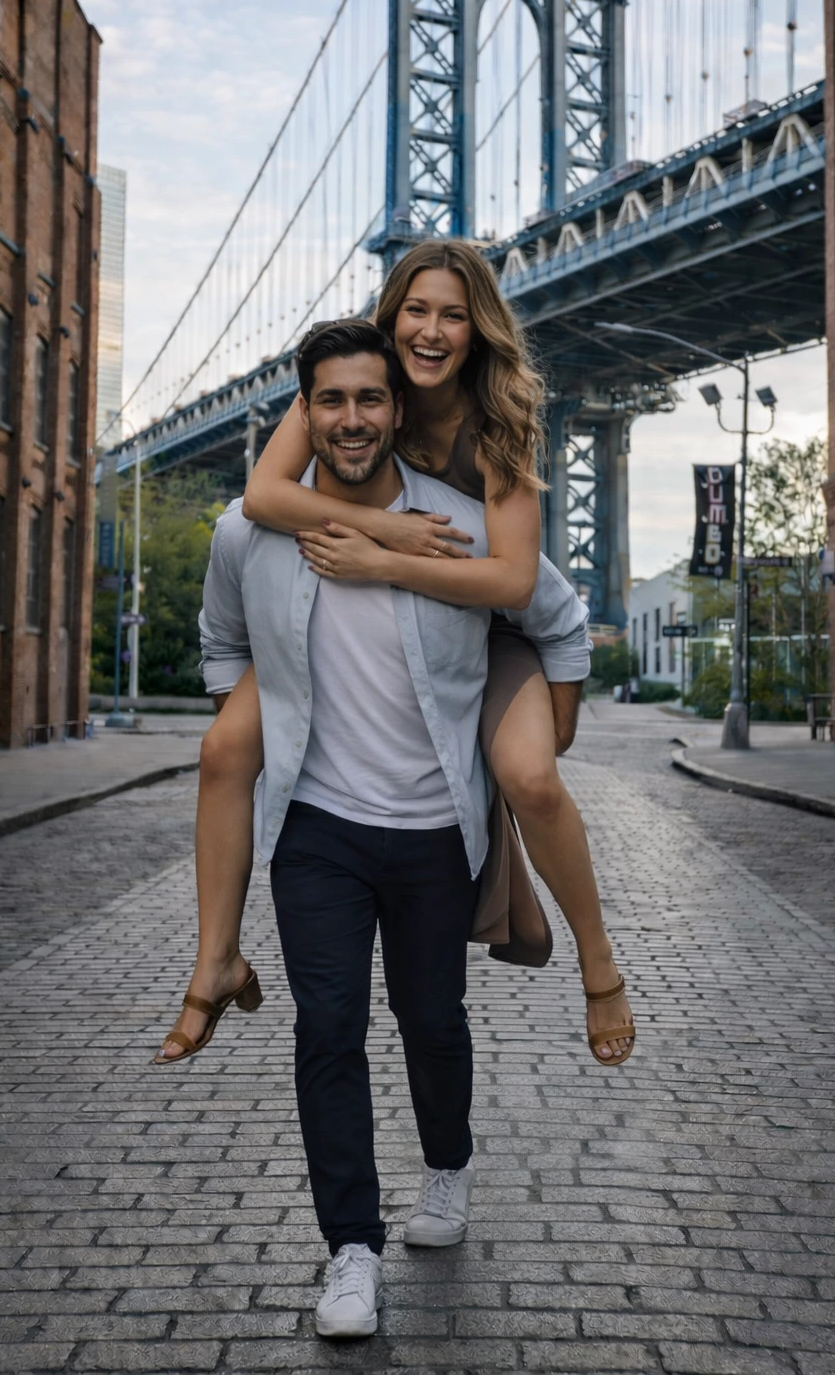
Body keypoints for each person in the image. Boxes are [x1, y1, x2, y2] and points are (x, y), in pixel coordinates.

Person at [196, 320, 593, 1337]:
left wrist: (545, 739)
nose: (351, 419)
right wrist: (253, 718)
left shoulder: (459, 524)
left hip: (433, 830)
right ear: (306, 410)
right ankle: (352, 1251)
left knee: (433, 1023)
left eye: (370, 399)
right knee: (327, 1028)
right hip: (315, 829)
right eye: (330, 400)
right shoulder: (250, 531)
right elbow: (220, 641)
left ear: (397, 407)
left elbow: (553, 615)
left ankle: (448, 1164)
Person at [155, 239, 634, 1067]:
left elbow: (517, 582)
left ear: (479, 329)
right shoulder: (356, 380)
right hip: (381, 606)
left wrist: (384, 561)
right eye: (416, 309)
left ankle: (599, 965)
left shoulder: (500, 417)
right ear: (390, 316)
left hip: (488, 621)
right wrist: (385, 529)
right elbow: (263, 496)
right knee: (224, 749)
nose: (431, 331)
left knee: (529, 779)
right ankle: (217, 960)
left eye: (454, 315)